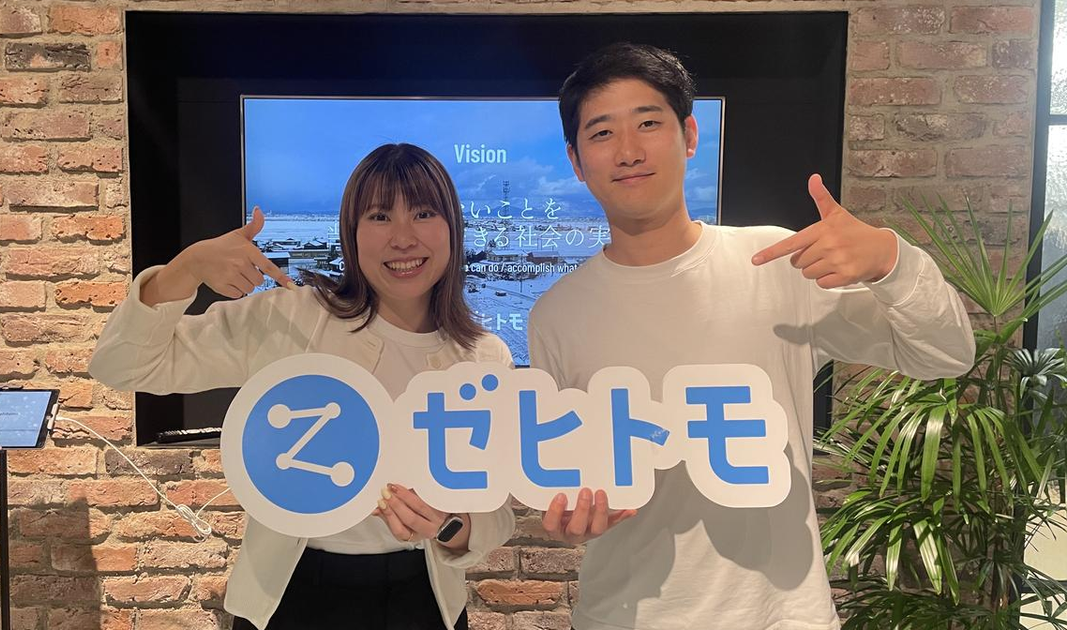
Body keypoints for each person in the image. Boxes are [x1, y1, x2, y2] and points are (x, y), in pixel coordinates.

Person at [528, 43, 975, 630]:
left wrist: (892, 259)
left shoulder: (776, 263)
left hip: (780, 614)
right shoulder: (557, 314)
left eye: (648, 123)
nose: (629, 151)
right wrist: (571, 515)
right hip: (624, 615)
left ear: (690, 135)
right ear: (576, 160)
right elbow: (574, 473)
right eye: (602, 133)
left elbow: (945, 354)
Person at [89, 143, 516, 630]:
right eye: (379, 216)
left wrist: (450, 527)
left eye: (423, 213)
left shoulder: (484, 357)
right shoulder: (290, 319)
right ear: (351, 232)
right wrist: (184, 270)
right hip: (288, 594)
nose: (403, 238)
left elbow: (497, 509)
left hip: (424, 599)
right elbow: (122, 366)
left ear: (453, 227)